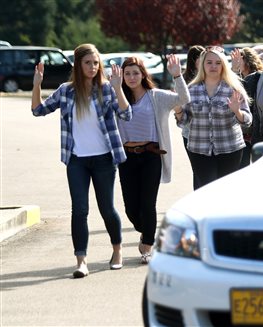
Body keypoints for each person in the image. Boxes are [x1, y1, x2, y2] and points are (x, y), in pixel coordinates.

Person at [31, 43, 132, 278]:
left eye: (96, 63)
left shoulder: (106, 89)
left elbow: (126, 114)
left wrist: (118, 88)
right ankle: (81, 261)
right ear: (78, 65)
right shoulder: (66, 91)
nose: (93, 67)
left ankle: (117, 251)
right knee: (80, 210)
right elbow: (38, 110)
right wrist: (37, 84)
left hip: (104, 159)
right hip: (76, 160)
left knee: (107, 209)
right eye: (88, 63)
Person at [117, 54, 190, 264]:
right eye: (127, 73)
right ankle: (147, 231)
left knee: (148, 204)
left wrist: (177, 76)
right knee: (131, 208)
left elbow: (183, 100)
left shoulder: (156, 96)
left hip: (151, 155)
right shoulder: (118, 96)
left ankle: (147, 246)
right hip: (126, 157)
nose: (131, 77)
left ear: (143, 74)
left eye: (135, 73)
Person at [176, 46, 252, 189]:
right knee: (207, 188)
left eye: (218, 63)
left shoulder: (233, 88)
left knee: (225, 190)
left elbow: (247, 120)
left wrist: (237, 112)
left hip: (230, 148)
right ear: (202, 65)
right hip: (199, 149)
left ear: (223, 66)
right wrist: (178, 110)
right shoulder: (191, 90)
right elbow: (184, 121)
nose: (213, 66)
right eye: (209, 62)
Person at [230, 47, 263, 167]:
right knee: (242, 166)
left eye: (240, 59)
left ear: (248, 61)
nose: (237, 62)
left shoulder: (260, 77)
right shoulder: (233, 77)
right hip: (242, 131)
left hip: (257, 128)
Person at [180, 45, 205, 190]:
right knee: (198, 170)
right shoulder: (185, 80)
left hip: (204, 131)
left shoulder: (207, 76)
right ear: (195, 60)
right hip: (190, 132)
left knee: (203, 170)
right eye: (202, 58)